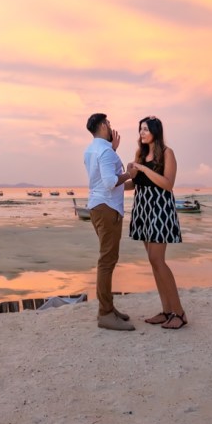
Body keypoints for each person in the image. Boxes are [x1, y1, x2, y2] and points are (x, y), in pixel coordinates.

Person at [129, 116, 187, 329]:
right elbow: (135, 184)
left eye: (145, 129)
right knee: (153, 262)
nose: (141, 133)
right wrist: (114, 182)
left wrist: (144, 169)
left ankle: (179, 313)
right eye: (140, 130)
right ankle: (166, 311)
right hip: (143, 208)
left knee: (157, 259)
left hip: (160, 208)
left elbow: (168, 184)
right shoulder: (141, 154)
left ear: (155, 131)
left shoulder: (167, 153)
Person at [83, 112, 136, 331]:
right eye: (109, 123)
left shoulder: (92, 150)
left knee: (108, 259)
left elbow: (103, 179)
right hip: (107, 208)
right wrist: (130, 173)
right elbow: (109, 182)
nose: (111, 127)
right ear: (103, 126)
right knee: (107, 260)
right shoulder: (105, 151)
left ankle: (108, 307)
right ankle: (105, 313)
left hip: (98, 207)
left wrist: (113, 150)